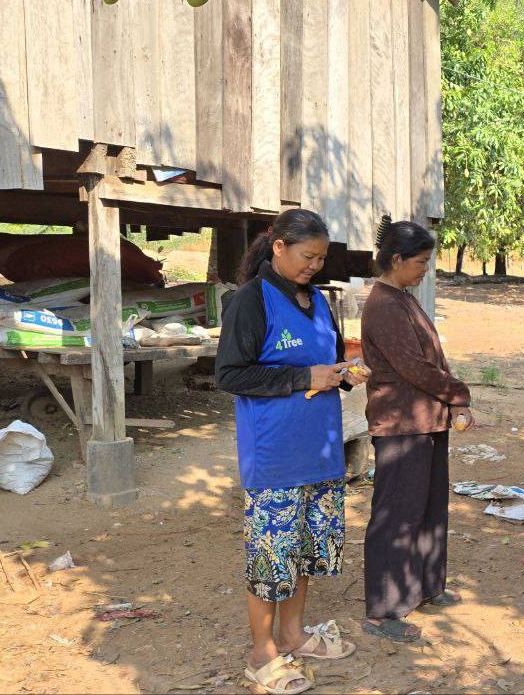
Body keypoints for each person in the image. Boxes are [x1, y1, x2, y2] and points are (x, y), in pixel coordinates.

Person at [216, 209, 367, 694]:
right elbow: (230, 375)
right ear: (278, 246)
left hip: (320, 452)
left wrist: (345, 371)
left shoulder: (320, 300)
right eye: (307, 256)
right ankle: (261, 653)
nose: (314, 266)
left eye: (321, 259)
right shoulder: (250, 301)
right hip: (275, 454)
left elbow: (325, 363)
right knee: (271, 555)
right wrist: (305, 377)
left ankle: (292, 634)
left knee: (305, 551)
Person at [360, 219, 472, 643]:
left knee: (427, 510)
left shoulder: (402, 297)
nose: (426, 268)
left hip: (424, 420)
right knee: (397, 517)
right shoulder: (386, 304)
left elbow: (427, 363)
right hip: (400, 425)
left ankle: (427, 587)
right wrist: (458, 394)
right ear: (397, 260)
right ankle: (383, 610)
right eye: (421, 261)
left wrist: (448, 401)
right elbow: (413, 368)